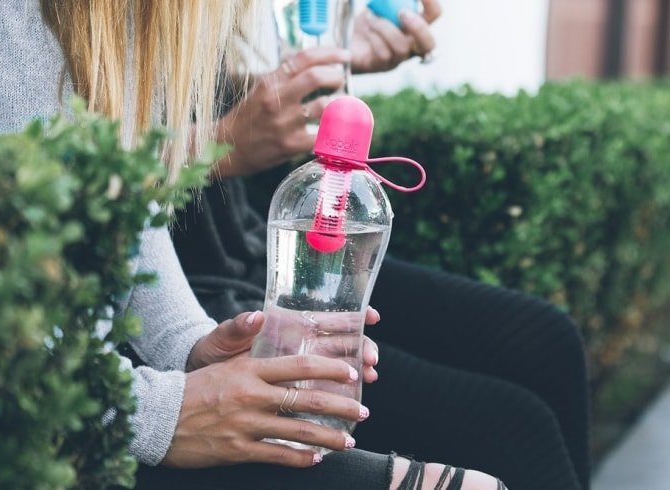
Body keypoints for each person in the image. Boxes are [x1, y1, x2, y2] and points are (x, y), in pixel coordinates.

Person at [0, 0, 505, 488]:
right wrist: (164, 414)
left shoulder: (138, 19)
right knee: (496, 439)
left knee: (516, 411)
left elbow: (122, 197)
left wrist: (191, 347)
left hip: (104, 389)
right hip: (19, 427)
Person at [169, 1, 592, 489]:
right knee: (515, 428)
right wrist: (215, 145)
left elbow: (193, 98)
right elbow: (98, 161)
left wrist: (329, 62)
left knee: (547, 340)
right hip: (199, 286)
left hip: (243, 245)